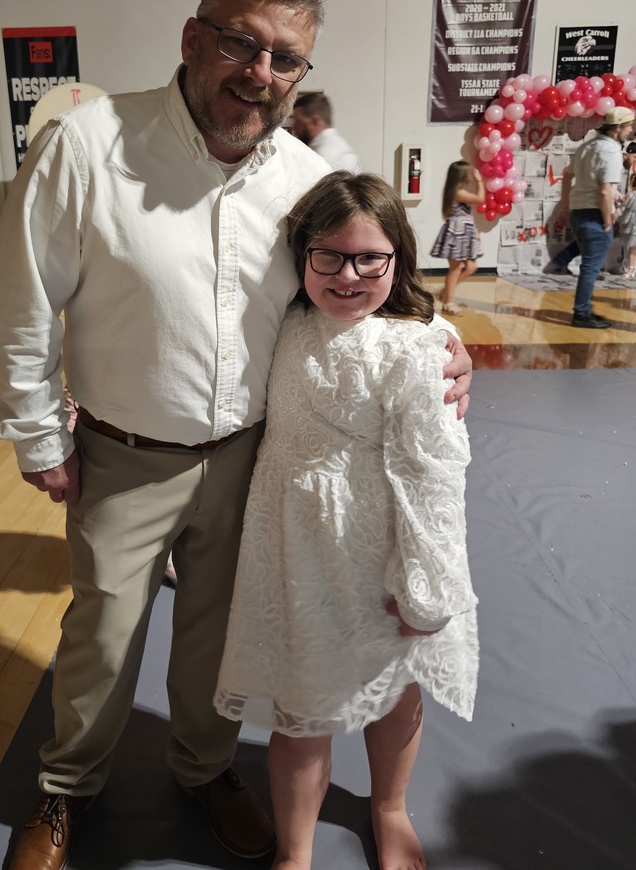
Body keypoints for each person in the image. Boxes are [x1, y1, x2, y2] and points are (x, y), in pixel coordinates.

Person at [0, 0, 473, 870]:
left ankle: (204, 770)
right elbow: (21, 303)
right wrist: (37, 432)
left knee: (222, 633)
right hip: (123, 448)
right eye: (242, 43)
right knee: (103, 633)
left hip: (254, 454)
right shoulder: (89, 146)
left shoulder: (300, 174)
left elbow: (367, 267)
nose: (261, 72)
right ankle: (64, 790)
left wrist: (447, 342)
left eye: (287, 58)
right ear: (193, 39)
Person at [215, 171, 478, 870]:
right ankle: (294, 851)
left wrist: (422, 582)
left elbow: (433, 475)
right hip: (295, 544)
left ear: (399, 258)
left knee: (395, 687)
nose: (350, 274)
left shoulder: (418, 344)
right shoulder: (284, 324)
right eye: (329, 255)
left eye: (371, 258)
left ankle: (388, 807)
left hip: (381, 547)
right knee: (303, 703)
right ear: (302, 256)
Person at [558, 105, 635, 328]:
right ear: (618, 127)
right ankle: (581, 313)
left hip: (578, 212)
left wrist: (564, 210)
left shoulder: (587, 146)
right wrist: (609, 219)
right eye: (629, 126)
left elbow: (566, 178)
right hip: (596, 215)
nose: (630, 130)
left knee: (589, 265)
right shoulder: (610, 151)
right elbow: (603, 190)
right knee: (591, 267)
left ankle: (584, 310)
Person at [429, 159, 486, 314]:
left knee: (471, 267)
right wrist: (479, 179)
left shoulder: (458, 191)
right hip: (457, 232)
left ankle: (446, 292)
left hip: (464, 231)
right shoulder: (458, 193)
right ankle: (448, 302)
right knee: (455, 269)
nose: (471, 175)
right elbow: (480, 198)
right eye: (468, 173)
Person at [290, 90, 361, 172]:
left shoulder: (322, 156)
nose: (294, 127)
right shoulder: (342, 147)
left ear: (315, 122)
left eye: (298, 121)